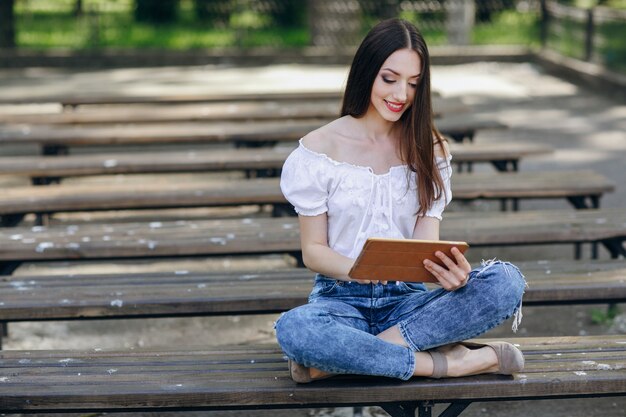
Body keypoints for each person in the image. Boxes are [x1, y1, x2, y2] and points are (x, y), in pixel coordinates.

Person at [275, 18, 526, 383]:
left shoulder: (431, 150)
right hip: (340, 301)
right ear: (367, 73)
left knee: (505, 280)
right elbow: (313, 251)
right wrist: (367, 270)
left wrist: (447, 274)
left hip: (408, 303)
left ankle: (342, 360)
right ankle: (448, 364)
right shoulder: (318, 150)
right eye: (389, 79)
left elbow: (425, 246)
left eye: (413, 83)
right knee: (296, 329)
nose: (401, 95)